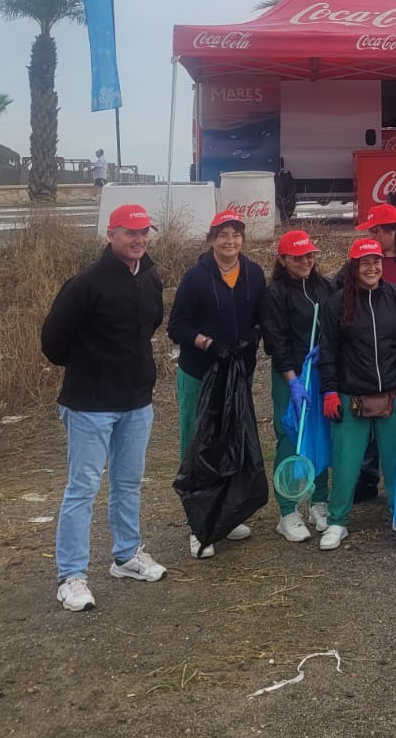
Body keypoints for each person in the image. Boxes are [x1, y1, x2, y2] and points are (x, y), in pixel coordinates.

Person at [41, 203, 167, 611]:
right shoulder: (85, 283)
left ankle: (127, 555)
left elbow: (150, 326)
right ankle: (71, 576)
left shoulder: (149, 278)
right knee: (83, 489)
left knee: (128, 482)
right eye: (130, 232)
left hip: (135, 402)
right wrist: (93, 369)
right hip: (91, 405)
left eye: (144, 232)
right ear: (110, 235)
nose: (138, 239)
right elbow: (54, 343)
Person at [167, 210, 268, 557]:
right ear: (211, 240)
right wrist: (208, 344)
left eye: (236, 235)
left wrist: (254, 336)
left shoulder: (253, 274)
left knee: (231, 441)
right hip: (202, 373)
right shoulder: (196, 277)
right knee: (199, 443)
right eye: (223, 235)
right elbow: (176, 327)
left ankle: (226, 514)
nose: (230, 241)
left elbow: (261, 318)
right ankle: (199, 525)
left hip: (238, 373)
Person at [318, 237, 396, 551]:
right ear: (354, 267)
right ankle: (338, 520)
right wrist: (329, 391)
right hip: (350, 395)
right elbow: (328, 351)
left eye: (376, 262)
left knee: (395, 461)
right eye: (365, 263)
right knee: (345, 463)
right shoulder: (337, 303)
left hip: (394, 395)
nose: (372, 268)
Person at [261, 230, 335, 543]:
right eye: (297, 257)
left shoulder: (324, 287)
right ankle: (288, 510)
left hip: (322, 373)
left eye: (309, 255)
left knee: (320, 435)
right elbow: (275, 341)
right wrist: (292, 381)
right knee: (292, 435)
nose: (305, 261)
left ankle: (319, 502)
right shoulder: (276, 293)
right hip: (291, 376)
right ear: (283, 260)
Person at [275, 158, 298, 225]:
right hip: (285, 188)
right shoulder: (288, 211)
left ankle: (281, 169)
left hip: (283, 188)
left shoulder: (287, 211)